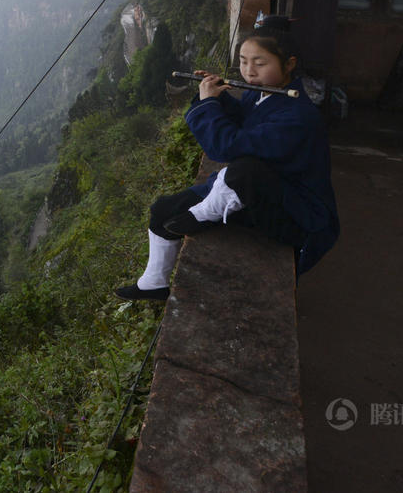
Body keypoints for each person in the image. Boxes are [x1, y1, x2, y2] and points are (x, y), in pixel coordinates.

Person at [116, 16, 338, 301]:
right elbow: (245, 122)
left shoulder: (297, 116)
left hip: (296, 213)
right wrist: (218, 97)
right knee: (163, 209)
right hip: (256, 193)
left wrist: (208, 104)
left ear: (290, 64)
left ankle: (201, 215)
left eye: (260, 63)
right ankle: (153, 283)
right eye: (244, 61)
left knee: (245, 169)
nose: (249, 71)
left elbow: (226, 147)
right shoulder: (264, 96)